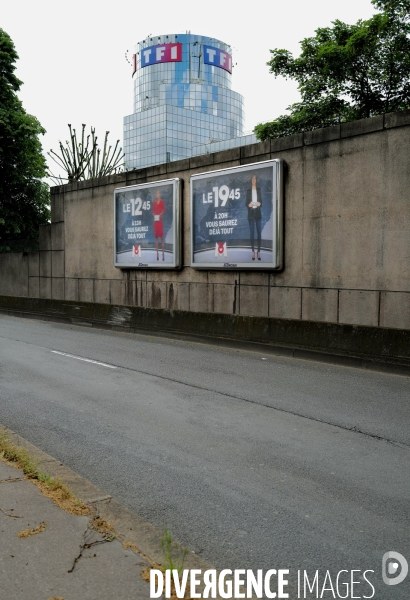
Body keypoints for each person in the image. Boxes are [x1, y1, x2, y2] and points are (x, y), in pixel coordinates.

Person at [245, 175, 262, 261]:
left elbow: (261, 201)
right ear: (251, 180)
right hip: (251, 213)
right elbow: (246, 203)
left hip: (258, 213)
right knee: (252, 233)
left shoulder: (259, 190)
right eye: (252, 178)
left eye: (255, 178)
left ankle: (258, 251)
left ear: (256, 180)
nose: (254, 180)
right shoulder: (248, 191)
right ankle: (253, 251)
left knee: (259, 233)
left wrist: (259, 203)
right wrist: (249, 205)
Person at [152, 189, 166, 261]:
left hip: (160, 221)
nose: (158, 194)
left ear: (160, 194)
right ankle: (157, 255)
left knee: (162, 238)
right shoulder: (154, 202)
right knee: (156, 238)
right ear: (155, 195)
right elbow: (152, 211)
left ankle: (163, 255)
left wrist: (161, 214)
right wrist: (154, 214)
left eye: (159, 193)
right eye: (157, 193)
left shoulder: (162, 202)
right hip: (156, 221)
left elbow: (164, 210)